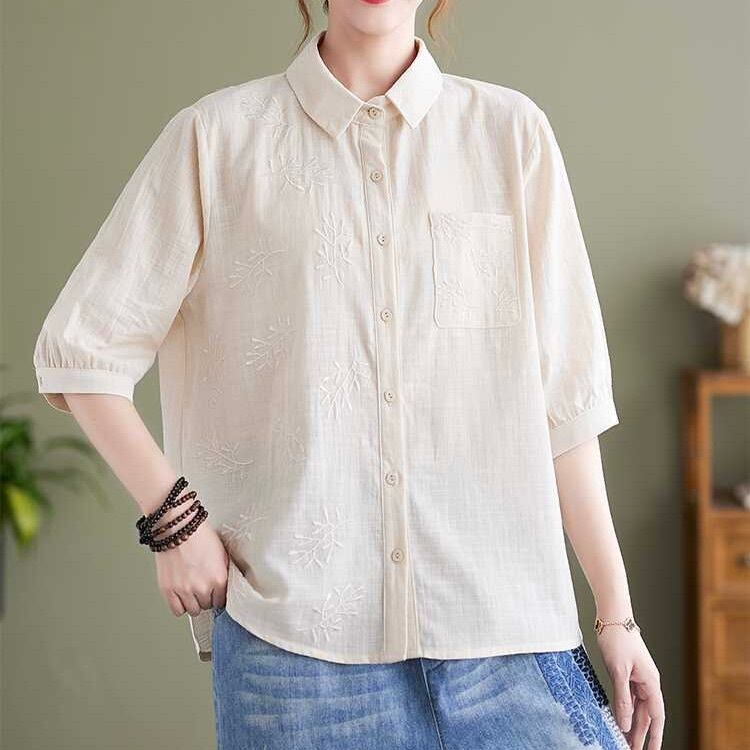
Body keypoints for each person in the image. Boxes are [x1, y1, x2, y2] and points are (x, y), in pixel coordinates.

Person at [32, 1, 665, 748]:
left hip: (510, 637)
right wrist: (174, 522)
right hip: (295, 660)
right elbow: (81, 349)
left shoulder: (509, 134)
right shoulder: (217, 138)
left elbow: (565, 403)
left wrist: (616, 615)